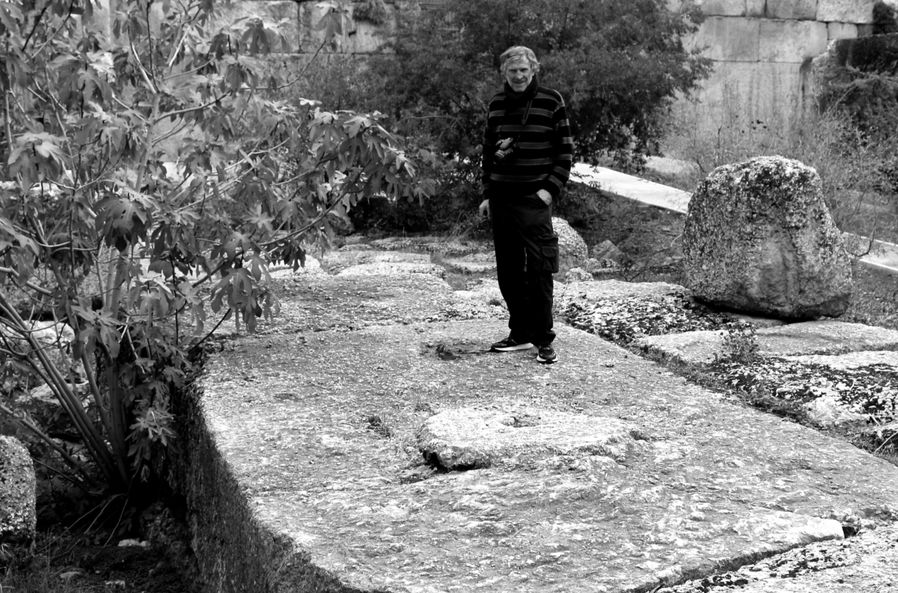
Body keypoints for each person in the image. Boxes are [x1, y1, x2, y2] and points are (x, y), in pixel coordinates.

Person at [479, 45, 574, 364]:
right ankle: (520, 333)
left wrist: (549, 192)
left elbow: (565, 153)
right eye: (512, 71)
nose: (518, 76)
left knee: (539, 269)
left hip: (535, 201)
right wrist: (488, 193)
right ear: (503, 73)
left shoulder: (551, 101)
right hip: (502, 200)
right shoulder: (496, 104)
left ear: (534, 69)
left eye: (523, 70)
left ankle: (543, 339)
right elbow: (488, 152)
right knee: (508, 272)